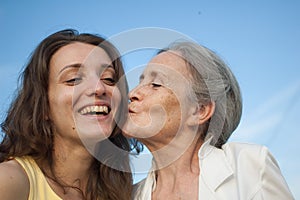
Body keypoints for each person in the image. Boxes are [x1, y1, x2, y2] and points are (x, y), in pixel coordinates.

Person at [123, 41, 294, 199]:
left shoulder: (251, 167)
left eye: (156, 84)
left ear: (199, 111)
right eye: (141, 82)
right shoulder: (130, 195)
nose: (133, 94)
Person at [0, 29, 139, 200]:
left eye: (109, 79)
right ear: (43, 105)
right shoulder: (9, 182)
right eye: (73, 79)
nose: (99, 88)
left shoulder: (124, 190)